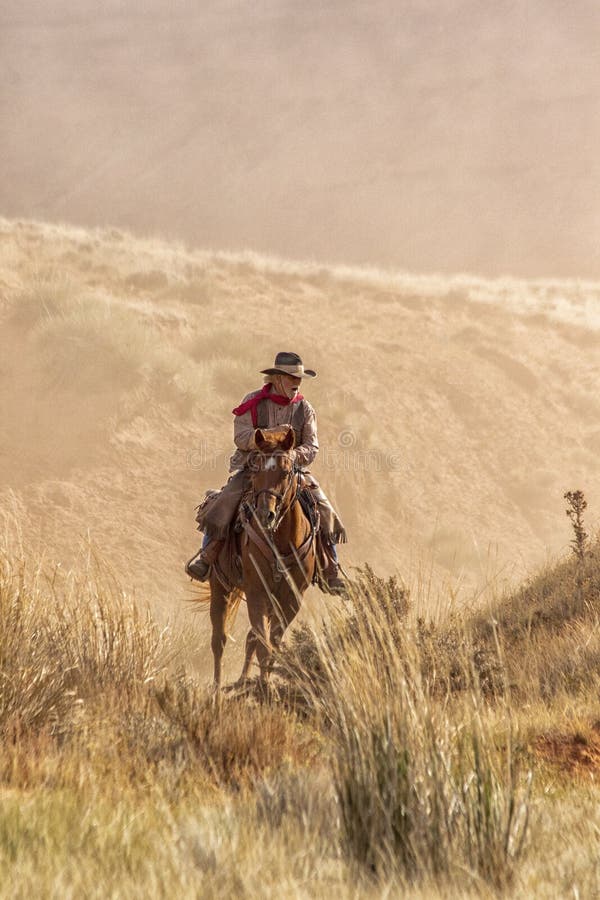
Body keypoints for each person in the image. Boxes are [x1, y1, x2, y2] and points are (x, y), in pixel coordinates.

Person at [185, 351, 346, 592]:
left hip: (291, 471)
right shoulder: (253, 401)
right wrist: (267, 439)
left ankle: (330, 570)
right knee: (224, 502)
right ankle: (206, 556)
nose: (297, 383)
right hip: (254, 468)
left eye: (299, 378)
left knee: (324, 508)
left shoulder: (305, 409)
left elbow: (312, 446)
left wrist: (291, 456)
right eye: (292, 377)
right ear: (277, 379)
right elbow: (240, 436)